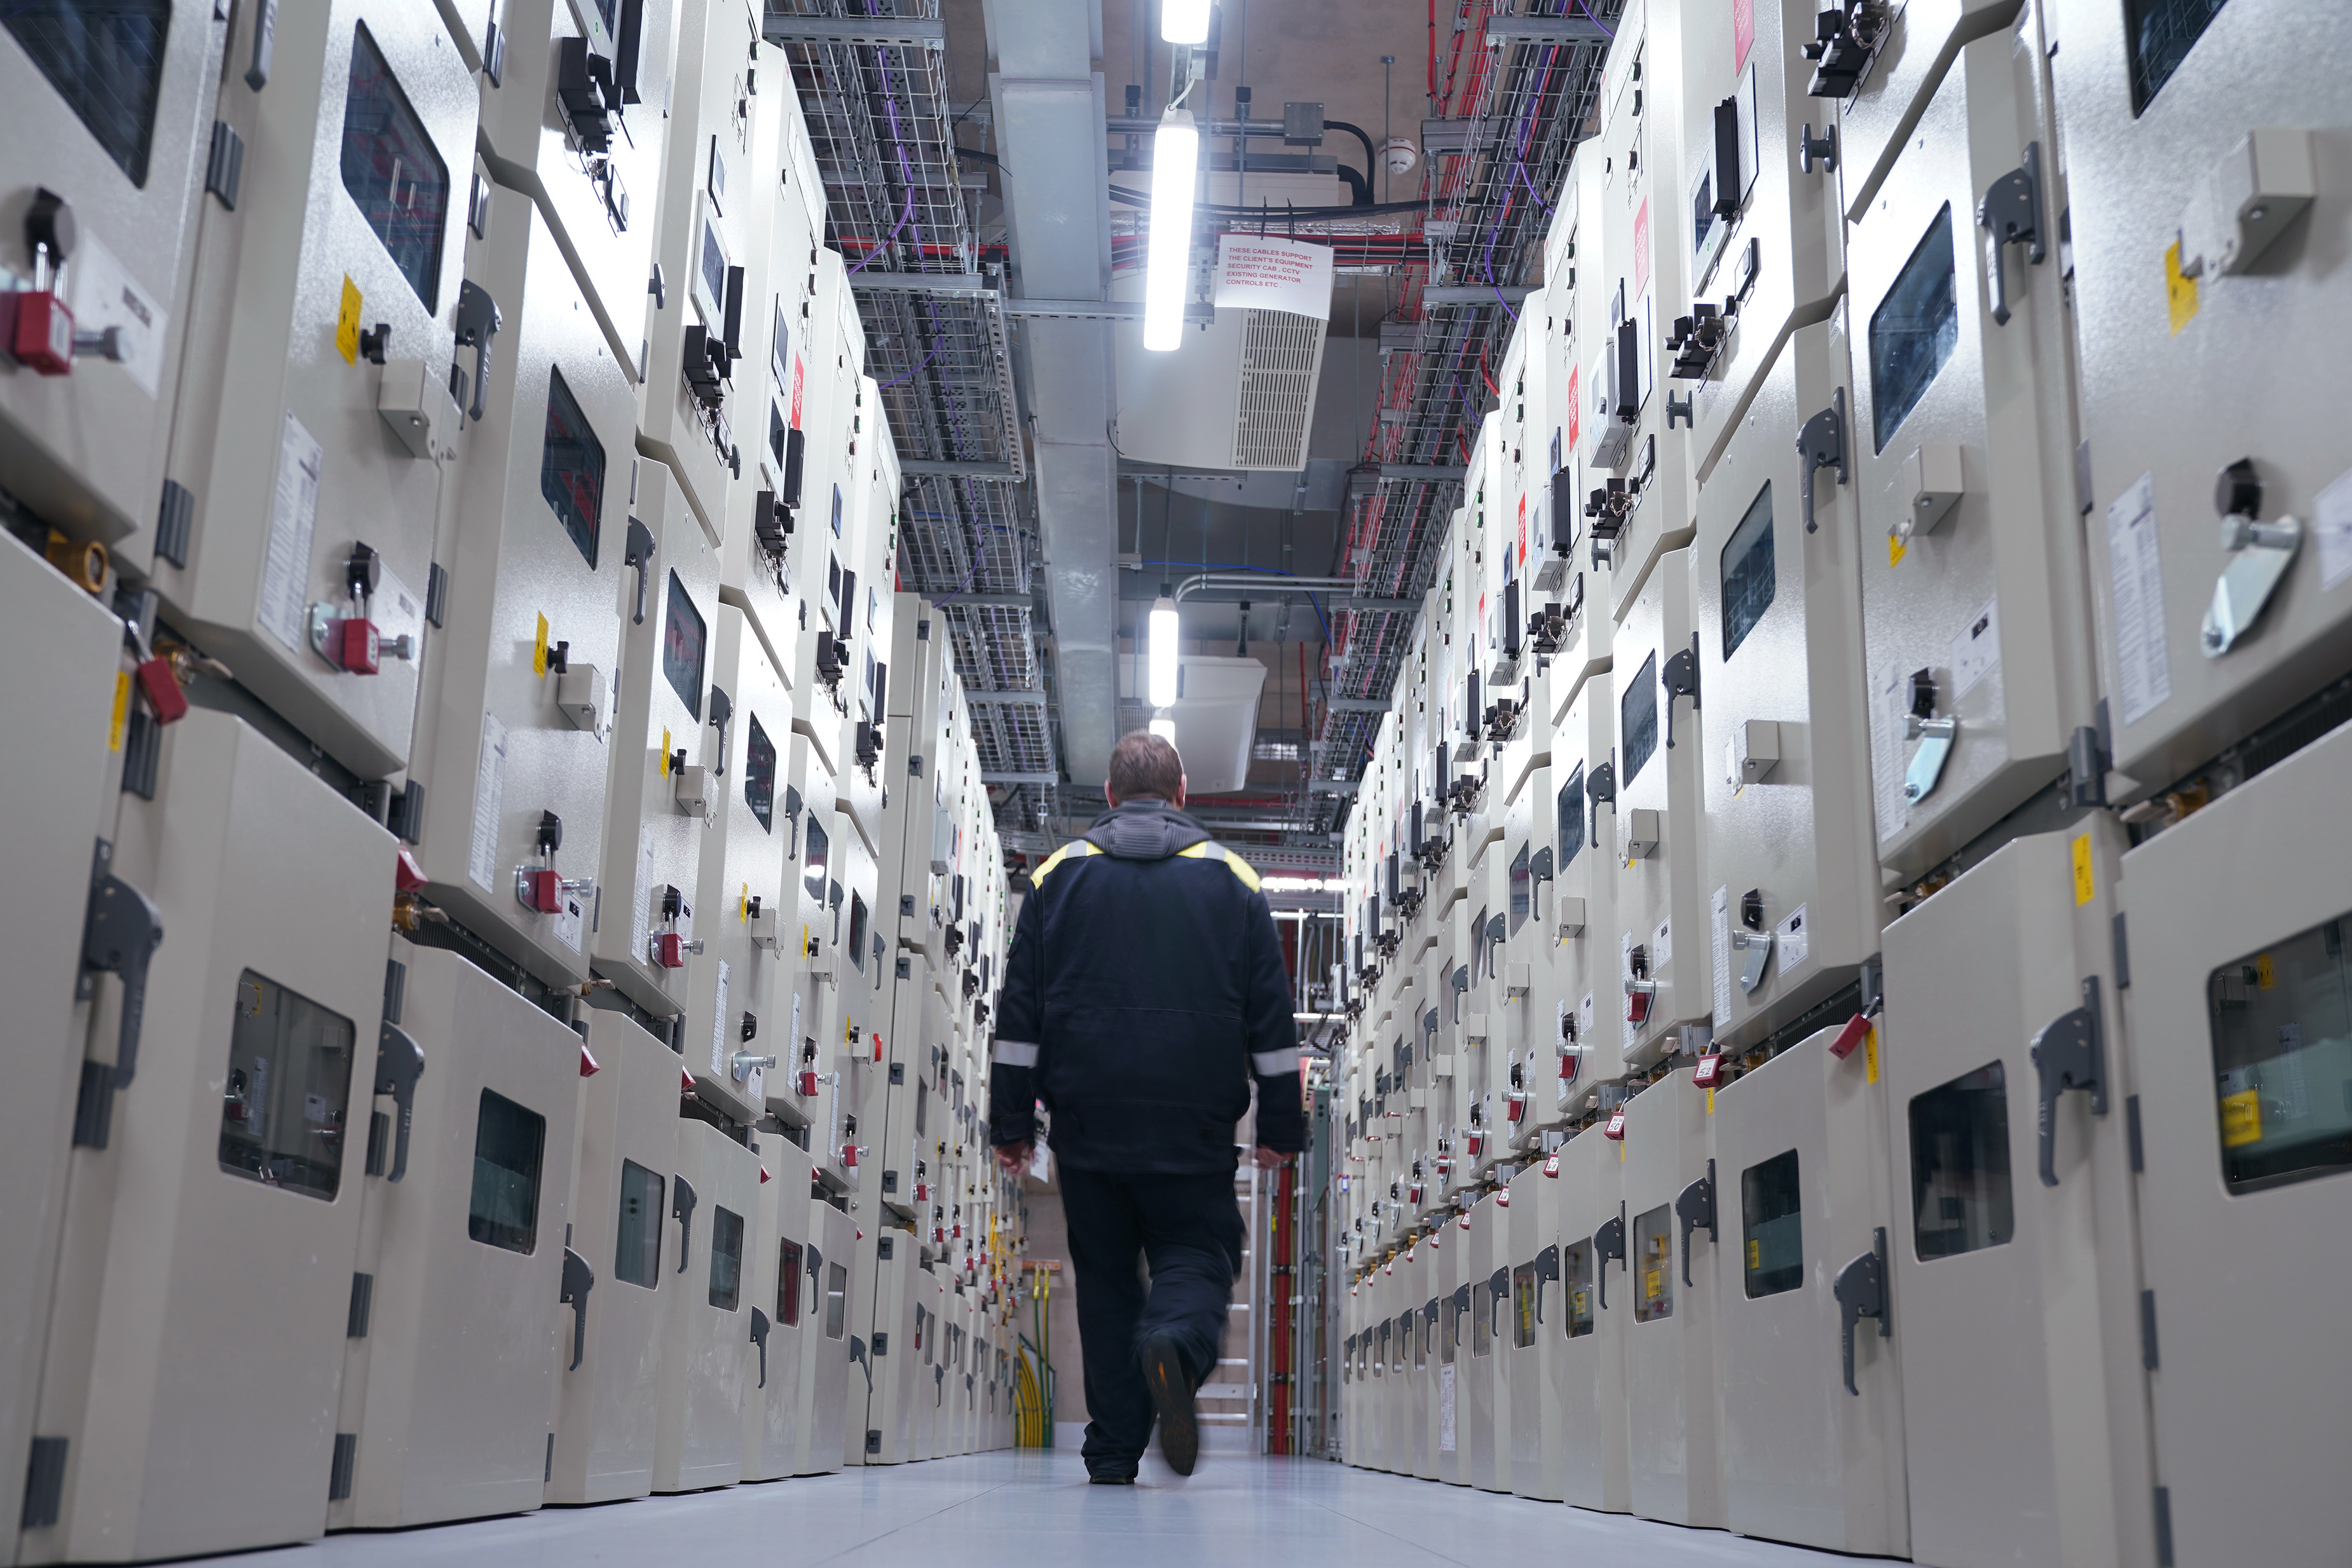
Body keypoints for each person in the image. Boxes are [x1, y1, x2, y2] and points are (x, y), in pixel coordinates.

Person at [988, 731, 1303, 1482]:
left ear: (1107, 795)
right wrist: (1281, 1128)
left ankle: (1111, 1450)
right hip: (1191, 1121)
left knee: (1102, 1279)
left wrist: (1011, 1126)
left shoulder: (1056, 876)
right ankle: (1174, 1340)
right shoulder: (1233, 880)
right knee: (1196, 1255)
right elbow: (1273, 1026)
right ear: (1183, 792)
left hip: (1088, 1123)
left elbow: (1017, 1022)